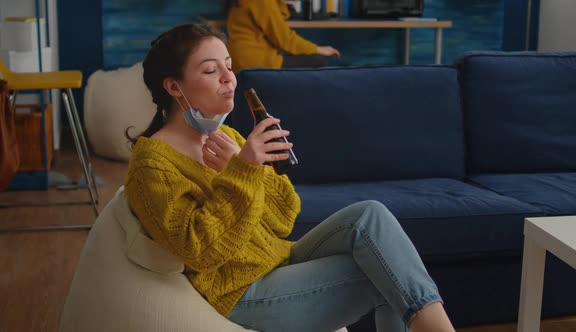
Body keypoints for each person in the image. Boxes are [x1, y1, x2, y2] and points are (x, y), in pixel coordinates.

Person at [124, 23, 455, 332]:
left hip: (276, 260)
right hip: (240, 291)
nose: (229, 77)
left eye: (228, 64)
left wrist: (245, 169)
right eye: (211, 70)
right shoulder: (152, 165)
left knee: (371, 214)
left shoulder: (230, 137)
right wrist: (243, 171)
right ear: (173, 86)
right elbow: (198, 250)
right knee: (383, 272)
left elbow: (284, 218)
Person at [225, 0, 341, 73]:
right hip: (256, 60)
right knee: (318, 61)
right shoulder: (262, 2)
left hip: (239, 57)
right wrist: (318, 49)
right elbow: (284, 40)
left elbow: (278, 14)